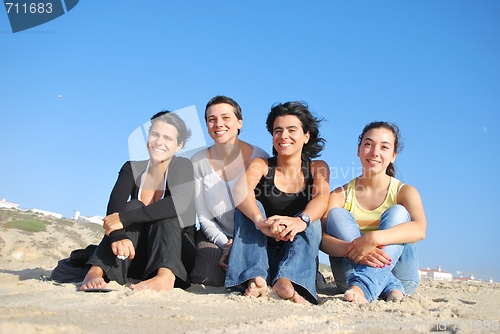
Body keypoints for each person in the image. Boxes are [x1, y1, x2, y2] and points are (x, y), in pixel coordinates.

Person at [225, 101, 330, 304]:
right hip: (259, 252)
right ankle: (255, 278)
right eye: (277, 131)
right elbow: (240, 190)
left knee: (311, 219)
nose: (283, 136)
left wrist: (301, 221)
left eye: (292, 130)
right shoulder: (262, 164)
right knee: (248, 208)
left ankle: (287, 279)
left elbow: (321, 198)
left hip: (295, 255)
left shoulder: (318, 167)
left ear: (306, 136)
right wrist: (259, 221)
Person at [80, 111, 196, 292]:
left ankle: (164, 277)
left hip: (174, 252)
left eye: (168, 138)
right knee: (133, 205)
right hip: (132, 253)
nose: (159, 142)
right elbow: (114, 211)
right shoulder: (131, 168)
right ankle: (97, 270)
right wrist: (118, 235)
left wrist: (127, 219)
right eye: (155, 134)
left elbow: (179, 203)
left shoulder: (183, 166)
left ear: (179, 145)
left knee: (165, 210)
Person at [321, 121, 426, 303]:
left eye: (384, 147)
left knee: (398, 213)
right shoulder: (339, 195)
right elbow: (321, 239)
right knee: (336, 214)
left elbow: (419, 229)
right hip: (349, 275)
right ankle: (389, 287)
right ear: (359, 150)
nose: (375, 152)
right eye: (368, 144)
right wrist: (351, 248)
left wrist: (373, 239)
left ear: (393, 155)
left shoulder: (405, 191)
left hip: (402, 275)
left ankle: (363, 286)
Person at [190, 95, 268, 286]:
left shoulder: (260, 158)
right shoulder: (197, 162)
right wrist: (225, 244)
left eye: (226, 118)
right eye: (211, 119)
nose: (218, 124)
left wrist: (241, 245)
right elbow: (204, 216)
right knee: (206, 278)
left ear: (239, 123)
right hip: (217, 234)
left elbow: (266, 207)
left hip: (254, 235)